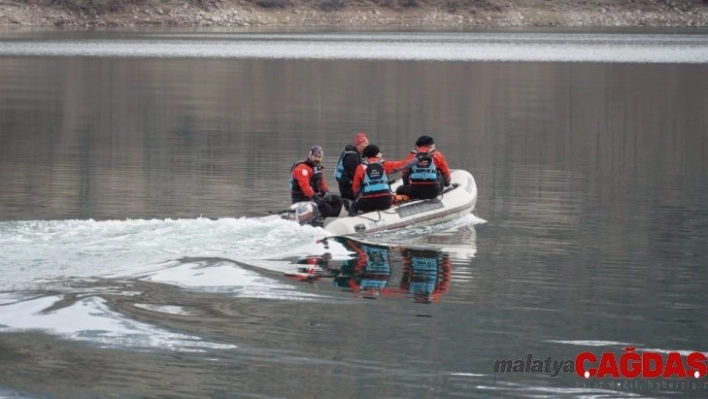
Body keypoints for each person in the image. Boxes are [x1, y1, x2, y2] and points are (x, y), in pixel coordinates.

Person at [348, 144, 418, 216]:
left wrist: (360, 198)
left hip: (367, 202)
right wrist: (417, 158)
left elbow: (355, 188)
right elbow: (404, 164)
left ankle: (351, 219)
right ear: (376, 154)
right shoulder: (384, 165)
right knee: (393, 196)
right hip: (385, 202)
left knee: (354, 205)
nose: (381, 153)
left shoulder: (361, 167)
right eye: (379, 152)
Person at [290, 145, 343, 221]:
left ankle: (331, 221)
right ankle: (322, 221)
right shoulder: (302, 169)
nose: (317, 159)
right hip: (302, 199)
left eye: (319, 157)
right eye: (315, 156)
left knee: (338, 200)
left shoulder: (317, 168)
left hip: (313, 197)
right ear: (310, 155)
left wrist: (326, 192)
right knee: (326, 207)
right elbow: (305, 187)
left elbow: (321, 182)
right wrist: (315, 197)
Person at [396, 135, 452, 200]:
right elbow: (446, 175)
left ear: (418, 146)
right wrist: (447, 184)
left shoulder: (412, 156)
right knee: (440, 176)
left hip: (415, 191)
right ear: (431, 145)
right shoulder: (437, 155)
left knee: (399, 189)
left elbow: (405, 175)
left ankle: (404, 200)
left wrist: (407, 186)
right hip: (434, 191)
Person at [334, 132, 369, 204]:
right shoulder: (352, 157)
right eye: (365, 144)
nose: (367, 146)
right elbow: (358, 175)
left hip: (346, 186)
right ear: (359, 145)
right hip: (348, 189)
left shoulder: (355, 154)